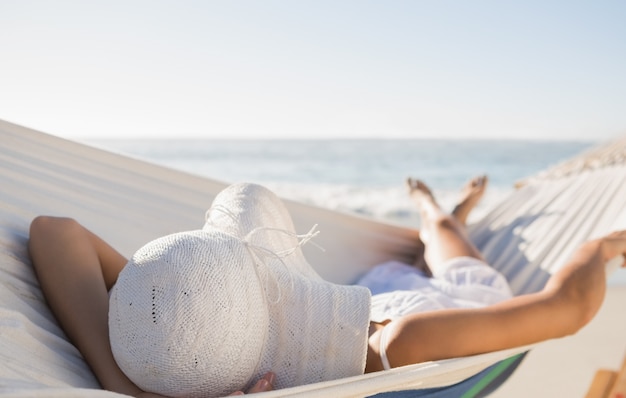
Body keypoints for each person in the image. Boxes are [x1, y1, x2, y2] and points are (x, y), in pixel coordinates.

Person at [28, 178, 626, 397]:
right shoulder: (406, 343)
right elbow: (566, 308)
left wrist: (121, 379)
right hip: (454, 308)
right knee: (449, 246)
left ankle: (436, 209)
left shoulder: (175, 335)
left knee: (434, 239)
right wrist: (600, 247)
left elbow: (54, 233)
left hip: (364, 296)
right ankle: (435, 207)